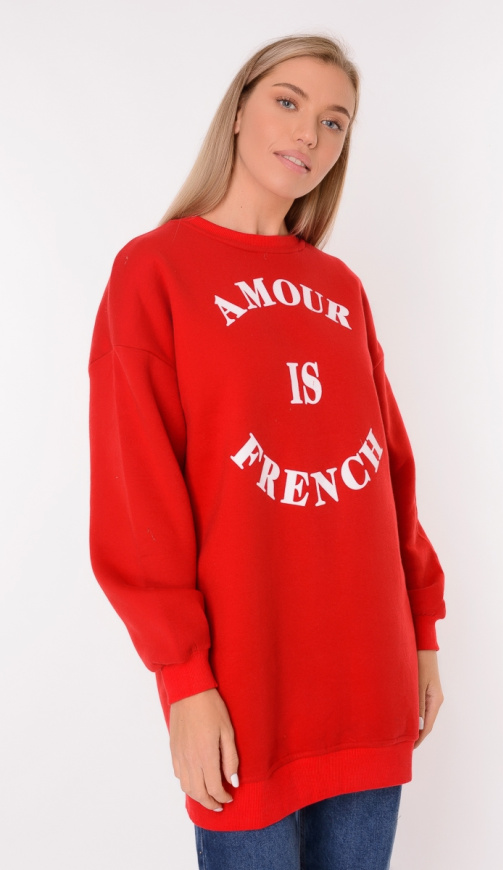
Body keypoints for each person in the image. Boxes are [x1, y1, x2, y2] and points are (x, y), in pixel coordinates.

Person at [88, 33, 446, 870]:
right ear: (239, 112)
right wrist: (185, 681)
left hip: (370, 674)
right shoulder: (155, 271)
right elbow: (139, 493)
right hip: (245, 685)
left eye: (335, 121)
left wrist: (423, 632)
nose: (309, 134)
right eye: (288, 102)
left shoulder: (340, 288)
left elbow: (388, 469)